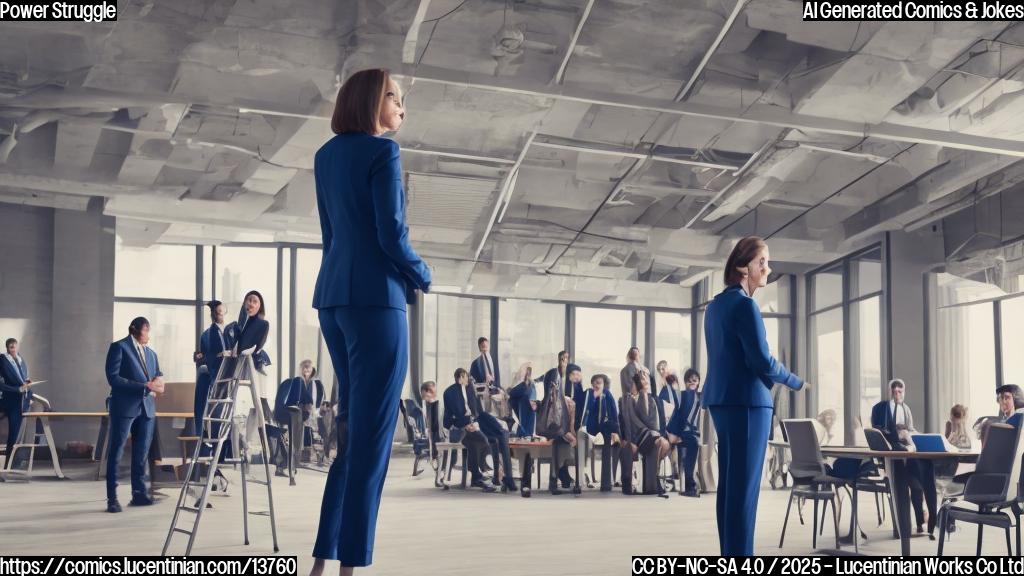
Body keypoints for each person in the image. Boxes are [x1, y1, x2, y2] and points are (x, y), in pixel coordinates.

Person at [311, 68, 433, 576]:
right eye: (395, 98)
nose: (403, 108)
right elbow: (391, 233)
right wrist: (422, 273)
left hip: (333, 300)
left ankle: (323, 560)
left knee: (351, 436)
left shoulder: (325, 155)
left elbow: (329, 234)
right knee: (374, 441)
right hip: (378, 302)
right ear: (369, 100)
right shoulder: (383, 152)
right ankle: (352, 565)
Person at [704, 236, 806, 555]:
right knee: (744, 493)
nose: (767, 268)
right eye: (761, 262)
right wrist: (792, 379)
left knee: (730, 489)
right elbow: (760, 360)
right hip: (748, 404)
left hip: (722, 402)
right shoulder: (746, 305)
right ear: (742, 267)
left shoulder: (716, 305)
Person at [104, 317, 164, 513]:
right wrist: (143, 386)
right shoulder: (119, 347)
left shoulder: (152, 354)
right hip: (124, 407)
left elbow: (158, 376)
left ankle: (139, 495)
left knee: (141, 454)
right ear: (136, 330)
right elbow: (113, 378)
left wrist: (158, 383)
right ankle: (112, 499)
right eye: (147, 330)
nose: (148, 334)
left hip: (147, 408)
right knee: (116, 452)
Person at [870, 378, 938, 539]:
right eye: (894, 391)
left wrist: (915, 437)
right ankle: (907, 525)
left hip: (909, 450)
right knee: (910, 482)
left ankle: (924, 522)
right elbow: (877, 429)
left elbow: (911, 428)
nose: (897, 394)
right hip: (892, 453)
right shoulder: (880, 408)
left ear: (904, 392)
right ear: (890, 392)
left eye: (900, 391)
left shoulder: (906, 409)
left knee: (918, 481)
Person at [443, 368, 516, 493]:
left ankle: (508, 477)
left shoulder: (470, 389)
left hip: (477, 421)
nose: (469, 380)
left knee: (503, 433)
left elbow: (477, 411)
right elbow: (451, 417)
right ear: (461, 377)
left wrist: (477, 422)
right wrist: (467, 424)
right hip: (463, 426)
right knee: (484, 438)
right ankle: (482, 474)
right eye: (467, 377)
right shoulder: (449, 393)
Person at [274, 360, 324, 477]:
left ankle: (289, 465)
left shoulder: (316, 384)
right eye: (304, 368)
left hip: (299, 413)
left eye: (309, 368)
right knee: (295, 439)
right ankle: (290, 465)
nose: (307, 370)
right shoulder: (296, 381)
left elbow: (316, 403)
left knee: (296, 440)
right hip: (291, 411)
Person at [579, 374, 620, 491]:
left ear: (603, 384)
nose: (597, 385)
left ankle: (606, 483)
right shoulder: (588, 394)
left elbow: (613, 412)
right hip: (591, 428)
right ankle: (586, 477)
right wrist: (594, 397)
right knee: (585, 439)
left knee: (609, 439)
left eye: (600, 383)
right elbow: (586, 411)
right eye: (595, 382)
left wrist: (616, 431)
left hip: (605, 427)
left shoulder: (607, 394)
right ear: (592, 384)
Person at [666, 370, 701, 497]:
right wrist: (676, 434)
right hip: (684, 433)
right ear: (685, 382)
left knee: (692, 449)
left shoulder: (699, 396)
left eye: (695, 380)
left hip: (692, 434)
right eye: (689, 380)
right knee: (692, 447)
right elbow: (679, 415)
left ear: (698, 382)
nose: (692, 382)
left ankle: (690, 485)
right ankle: (690, 486)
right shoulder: (685, 395)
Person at [0, 338, 33, 467]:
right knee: (14, 434)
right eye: (10, 347)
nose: (13, 349)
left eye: (15, 347)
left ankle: (14, 463)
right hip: (9, 401)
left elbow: (23, 379)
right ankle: (9, 464)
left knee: (19, 434)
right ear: (7, 348)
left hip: (22, 401)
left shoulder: (21, 360)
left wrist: (27, 384)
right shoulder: (2, 360)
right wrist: (16, 389)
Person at [507, 362, 538, 437]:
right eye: (527, 371)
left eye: (529, 371)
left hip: (525, 406)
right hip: (520, 403)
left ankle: (525, 434)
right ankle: (525, 434)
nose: (528, 373)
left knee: (528, 402)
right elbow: (511, 393)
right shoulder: (523, 386)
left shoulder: (531, 386)